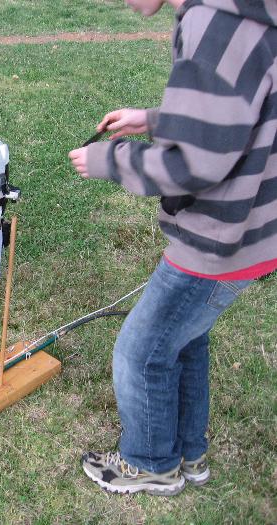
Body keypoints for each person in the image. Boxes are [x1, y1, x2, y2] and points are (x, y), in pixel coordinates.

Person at [68, 0, 277, 496]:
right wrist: (158, 120)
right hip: (251, 225)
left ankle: (150, 464)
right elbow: (233, 115)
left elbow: (198, 161)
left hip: (221, 236)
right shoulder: (243, 13)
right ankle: (189, 454)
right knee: (182, 340)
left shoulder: (214, 22)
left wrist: (112, 161)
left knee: (140, 352)